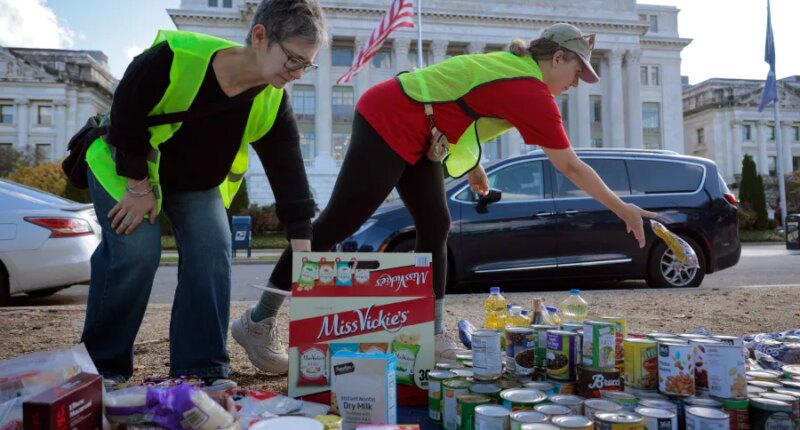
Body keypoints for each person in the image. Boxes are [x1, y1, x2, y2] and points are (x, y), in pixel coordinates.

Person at [233, 22, 657, 373]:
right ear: (557, 59)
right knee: (338, 223)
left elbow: (458, 99)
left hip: (421, 130)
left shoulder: (513, 70)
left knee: (436, 224)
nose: (578, 84)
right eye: (577, 73)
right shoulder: (529, 88)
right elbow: (570, 166)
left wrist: (472, 166)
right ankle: (258, 320)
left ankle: (429, 334)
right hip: (390, 115)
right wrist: (623, 208)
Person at [80, 0, 326, 388]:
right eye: (294, 60)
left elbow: (289, 173)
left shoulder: (273, 99)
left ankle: (201, 369)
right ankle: (102, 368)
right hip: (127, 167)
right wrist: (139, 186)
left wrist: (304, 251)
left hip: (194, 183)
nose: (297, 73)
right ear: (260, 36)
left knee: (213, 251)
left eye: (306, 65)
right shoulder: (176, 58)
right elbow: (126, 113)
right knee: (137, 251)